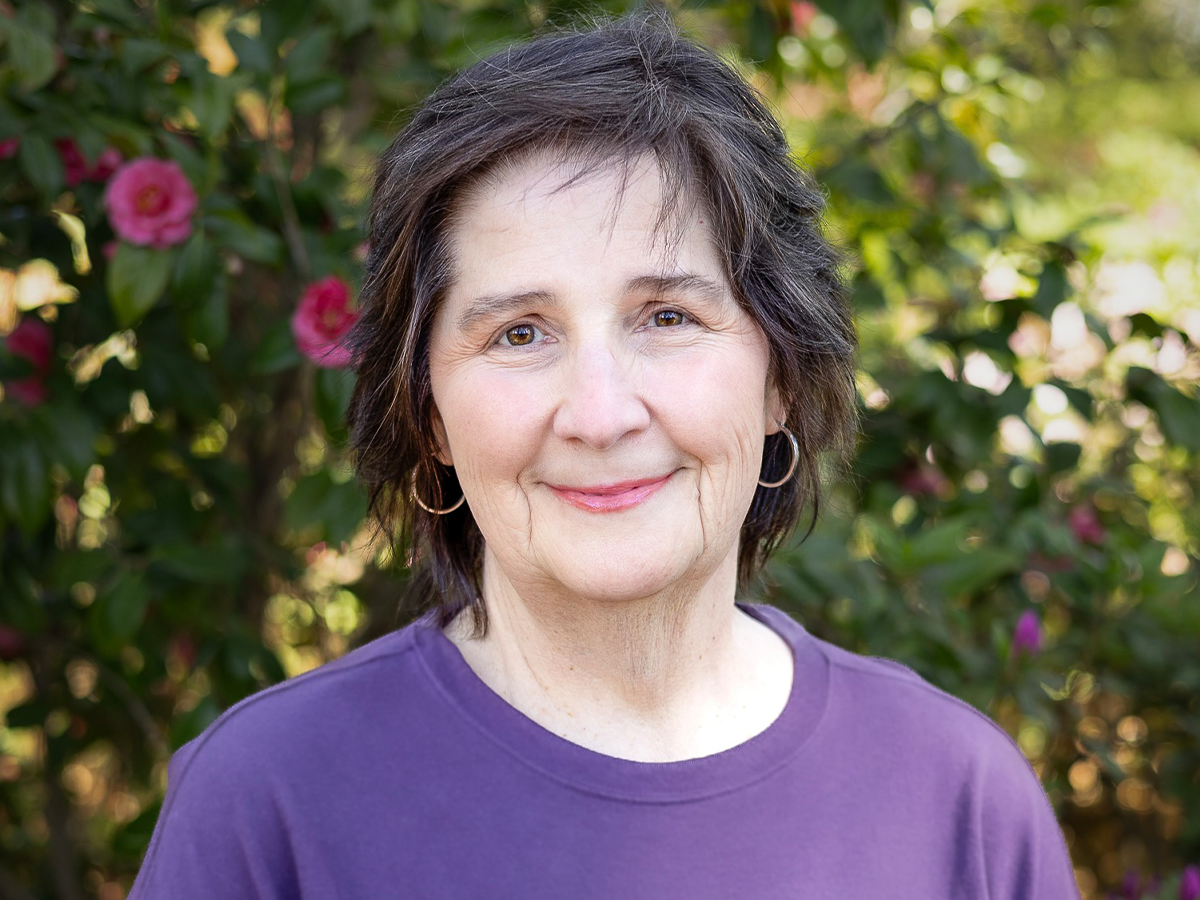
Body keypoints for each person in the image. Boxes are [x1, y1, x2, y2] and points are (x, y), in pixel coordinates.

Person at [130, 12, 1080, 899]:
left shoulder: (957, 802)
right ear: (429, 416)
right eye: (519, 334)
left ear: (781, 376)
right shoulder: (270, 803)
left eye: (666, 317)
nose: (599, 414)